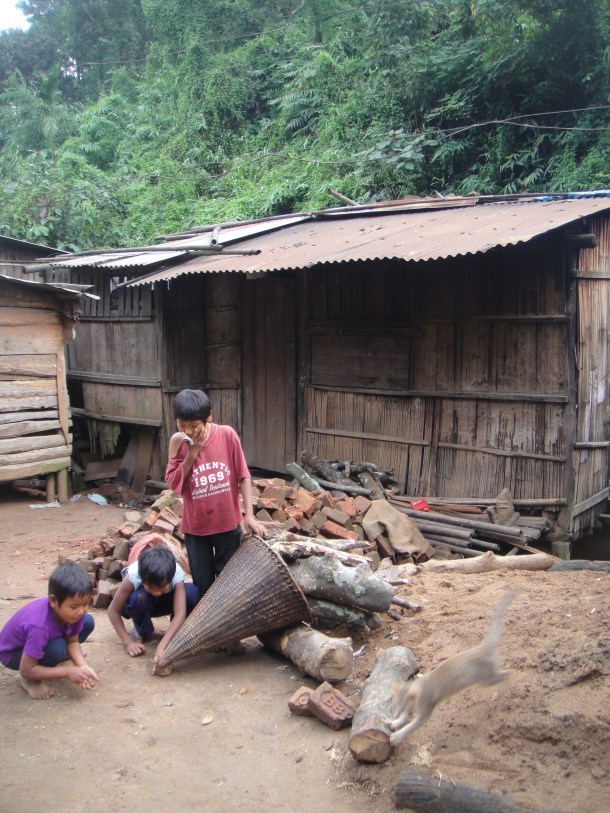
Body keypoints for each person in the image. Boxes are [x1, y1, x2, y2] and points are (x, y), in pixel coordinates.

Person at [165, 388, 267, 598]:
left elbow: (243, 476)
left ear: (208, 416)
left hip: (227, 525)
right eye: (181, 425)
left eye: (194, 426)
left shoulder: (227, 435)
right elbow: (174, 484)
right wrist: (191, 454)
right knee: (203, 588)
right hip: (196, 529)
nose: (189, 432)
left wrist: (249, 514)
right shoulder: (178, 442)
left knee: (230, 586)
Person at [0, 561, 99, 700]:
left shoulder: (77, 611)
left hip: (44, 638)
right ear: (53, 601)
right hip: (13, 654)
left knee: (87, 622)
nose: (81, 611)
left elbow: (72, 640)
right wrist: (67, 672)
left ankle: (55, 657)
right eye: (74, 607)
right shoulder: (39, 626)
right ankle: (30, 681)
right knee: (56, 648)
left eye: (85, 604)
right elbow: (26, 669)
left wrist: (83, 667)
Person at [107, 545, 199, 670]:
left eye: (162, 588)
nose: (156, 592)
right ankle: (143, 630)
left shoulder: (175, 573)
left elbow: (180, 613)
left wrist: (161, 647)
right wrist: (127, 642)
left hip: (165, 603)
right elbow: (113, 610)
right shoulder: (134, 574)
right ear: (143, 579)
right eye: (151, 588)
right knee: (138, 598)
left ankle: (175, 632)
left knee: (192, 592)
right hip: (140, 604)